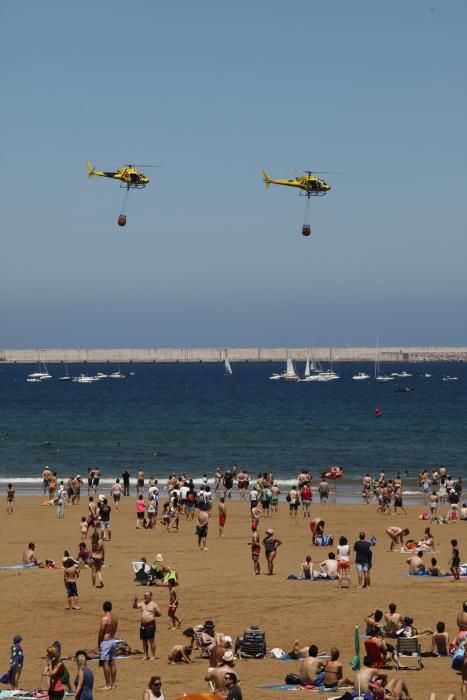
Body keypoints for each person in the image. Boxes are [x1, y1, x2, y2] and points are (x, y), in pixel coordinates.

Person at [133, 591, 161, 660]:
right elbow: (135, 607)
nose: (146, 596)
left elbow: (159, 613)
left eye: (147, 595)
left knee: (151, 640)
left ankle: (153, 656)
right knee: (144, 640)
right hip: (142, 625)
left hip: (150, 624)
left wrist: (152, 616)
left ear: (151, 596)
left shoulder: (154, 604)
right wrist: (135, 600)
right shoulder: (142, 603)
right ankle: (145, 655)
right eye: (145, 595)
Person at [98, 601, 118, 690]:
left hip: (106, 642)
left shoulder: (104, 619)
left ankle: (108, 684)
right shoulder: (115, 617)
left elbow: (101, 632)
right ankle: (113, 684)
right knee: (112, 662)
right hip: (113, 640)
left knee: (105, 663)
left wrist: (99, 643)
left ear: (103, 608)